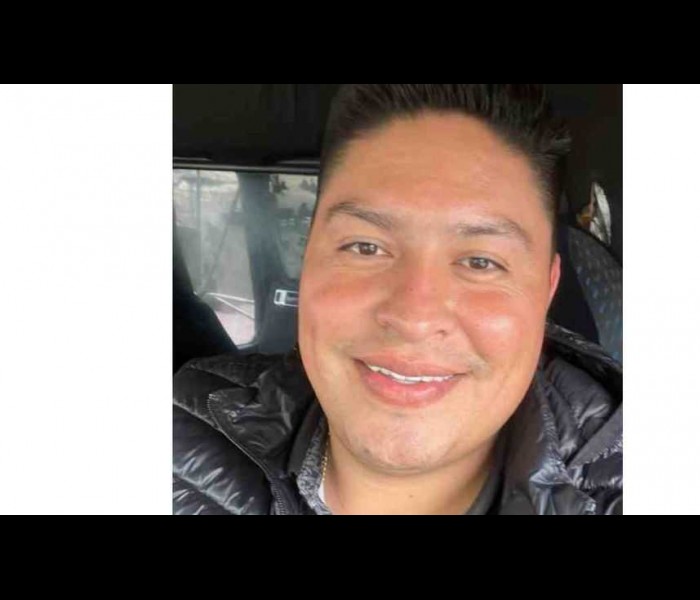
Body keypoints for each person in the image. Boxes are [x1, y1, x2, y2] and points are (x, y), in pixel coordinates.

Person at [173, 84, 622, 515]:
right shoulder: (181, 428)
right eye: (365, 247)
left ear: (547, 290)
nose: (414, 318)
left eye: (480, 262)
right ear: (308, 260)